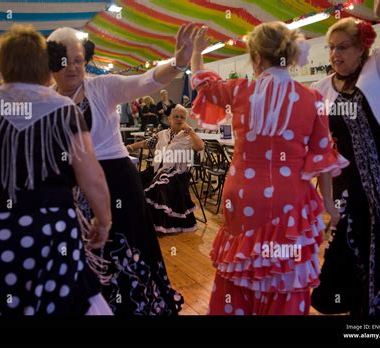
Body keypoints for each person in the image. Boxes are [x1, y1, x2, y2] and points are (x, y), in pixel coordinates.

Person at [0, 25, 112, 315]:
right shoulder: (64, 109)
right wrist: (104, 221)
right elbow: (91, 176)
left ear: (4, 66)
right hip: (51, 228)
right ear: (47, 67)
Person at [190, 22, 349, 315]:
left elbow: (203, 83)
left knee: (241, 266)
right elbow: (323, 158)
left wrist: (197, 53)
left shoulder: (239, 91)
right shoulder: (312, 99)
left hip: (241, 196)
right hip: (289, 199)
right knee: (283, 270)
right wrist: (330, 205)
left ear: (257, 58)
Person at [46, 24, 199, 315]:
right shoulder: (48, 99)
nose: (74, 67)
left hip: (117, 182)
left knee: (127, 250)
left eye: (80, 60)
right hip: (74, 189)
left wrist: (178, 62)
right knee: (85, 255)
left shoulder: (102, 86)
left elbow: (145, 82)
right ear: (52, 64)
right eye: (65, 61)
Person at [310, 0, 380, 316]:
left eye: (342, 47)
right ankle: (358, 304)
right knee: (352, 239)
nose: (335, 55)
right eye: (331, 48)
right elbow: (315, 143)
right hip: (348, 180)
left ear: (361, 48)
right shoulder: (320, 87)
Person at [127, 104, 203, 233]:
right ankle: (135, 218)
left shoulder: (188, 137)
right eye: (176, 116)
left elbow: (200, 147)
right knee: (134, 179)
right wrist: (130, 147)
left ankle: (156, 224)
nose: (179, 119)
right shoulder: (162, 134)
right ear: (169, 119)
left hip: (177, 175)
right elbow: (147, 143)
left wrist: (190, 130)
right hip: (157, 170)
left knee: (159, 186)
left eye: (182, 117)